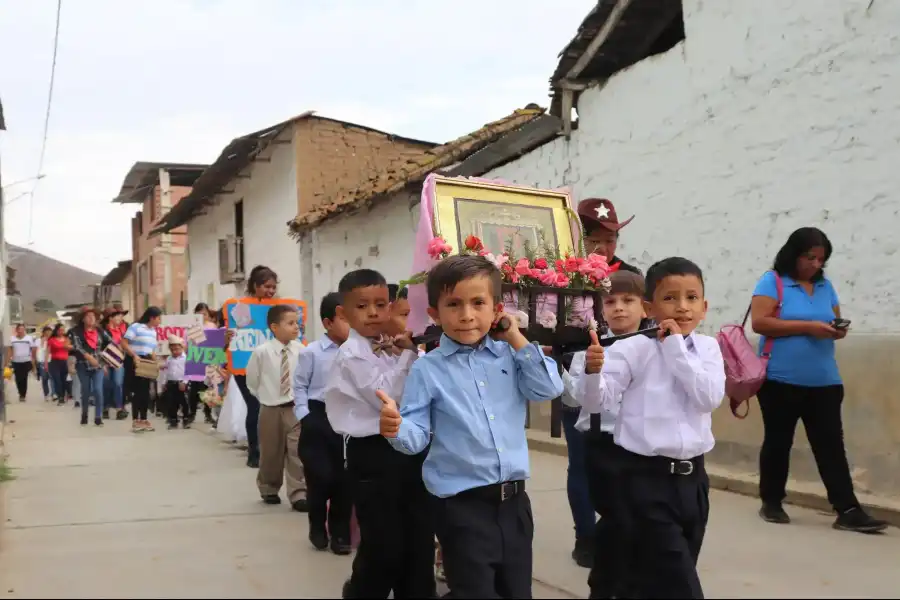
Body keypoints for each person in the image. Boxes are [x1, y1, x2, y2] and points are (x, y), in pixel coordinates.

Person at [379, 255, 564, 599]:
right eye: (454, 304)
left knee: (516, 591)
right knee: (474, 591)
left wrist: (516, 337)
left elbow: (550, 388)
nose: (466, 315)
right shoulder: (428, 369)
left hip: (514, 504)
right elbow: (416, 435)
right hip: (461, 507)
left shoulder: (511, 357)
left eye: (478, 303)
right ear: (435, 313)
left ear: (497, 309)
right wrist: (396, 428)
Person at [575, 257, 724, 599]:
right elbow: (597, 403)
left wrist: (675, 349)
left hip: (694, 482)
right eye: (670, 298)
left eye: (691, 298)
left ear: (704, 307)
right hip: (645, 483)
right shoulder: (632, 350)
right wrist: (593, 373)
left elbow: (708, 397)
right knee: (679, 583)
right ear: (649, 307)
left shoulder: (708, 349)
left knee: (657, 579)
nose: (682, 307)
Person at [750, 227, 887, 533]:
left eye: (820, 259)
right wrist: (808, 327)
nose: (815, 264)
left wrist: (836, 329)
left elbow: (834, 318)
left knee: (830, 446)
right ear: (793, 254)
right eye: (809, 257)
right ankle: (771, 502)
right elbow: (760, 322)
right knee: (778, 441)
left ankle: (848, 509)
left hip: (824, 381)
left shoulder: (826, 286)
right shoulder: (773, 282)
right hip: (780, 380)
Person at [324, 268, 434, 599]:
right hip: (372, 453)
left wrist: (403, 351)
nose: (373, 313)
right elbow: (388, 394)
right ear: (342, 314)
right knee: (383, 545)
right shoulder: (352, 353)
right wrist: (410, 354)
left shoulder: (386, 347)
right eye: (362, 306)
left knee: (417, 540)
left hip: (408, 450)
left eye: (381, 304)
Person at [565, 270, 650, 598]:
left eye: (628, 301)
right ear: (600, 309)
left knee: (629, 521)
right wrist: (588, 370)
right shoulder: (591, 350)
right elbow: (576, 400)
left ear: (645, 308)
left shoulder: (654, 349)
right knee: (614, 517)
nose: (619, 309)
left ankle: (617, 580)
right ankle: (603, 577)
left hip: (637, 447)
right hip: (600, 442)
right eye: (610, 302)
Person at [294, 292, 352, 554]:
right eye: (345, 319)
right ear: (328, 323)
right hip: (318, 417)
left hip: (348, 420)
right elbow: (299, 385)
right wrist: (304, 415)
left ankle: (340, 534)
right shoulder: (312, 353)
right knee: (320, 478)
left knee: (344, 481)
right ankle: (317, 527)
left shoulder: (358, 351)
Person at [245, 304, 307, 510]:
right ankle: (269, 487)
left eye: (297, 323)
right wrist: (266, 396)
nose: (295, 327)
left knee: (297, 451)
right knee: (270, 451)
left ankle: (299, 493)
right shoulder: (262, 352)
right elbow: (252, 380)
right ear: (274, 327)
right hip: (270, 407)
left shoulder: (301, 350)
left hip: (295, 408)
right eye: (290, 323)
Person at [224, 265, 279, 468]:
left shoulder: (279, 311)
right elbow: (226, 346)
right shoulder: (239, 310)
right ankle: (254, 452)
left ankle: (268, 450)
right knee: (255, 406)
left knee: (269, 407)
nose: (271, 291)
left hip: (270, 365)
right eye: (267, 286)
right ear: (255, 286)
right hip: (244, 367)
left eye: (274, 287)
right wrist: (227, 338)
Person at [68, 306, 113, 426]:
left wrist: (105, 362)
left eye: (93, 316)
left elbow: (110, 343)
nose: (91, 318)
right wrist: (89, 357)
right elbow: (77, 347)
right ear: (83, 319)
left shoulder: (100, 331)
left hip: (98, 365)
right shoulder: (75, 332)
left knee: (98, 390)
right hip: (83, 365)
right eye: (88, 316)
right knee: (86, 390)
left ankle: (98, 417)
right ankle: (85, 414)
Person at [122, 306, 162, 433]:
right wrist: (134, 355)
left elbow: (151, 349)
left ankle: (144, 419)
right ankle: (136, 420)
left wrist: (156, 362)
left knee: (145, 391)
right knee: (137, 391)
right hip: (134, 360)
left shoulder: (153, 331)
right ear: (152, 317)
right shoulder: (136, 327)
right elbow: (124, 343)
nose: (160, 321)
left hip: (147, 361)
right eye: (158, 318)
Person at [577, 198, 642, 276]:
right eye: (595, 241)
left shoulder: (629, 276)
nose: (603, 250)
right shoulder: (566, 274)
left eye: (609, 241)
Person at [189, 303, 220, 426]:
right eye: (199, 313)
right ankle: (191, 414)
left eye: (204, 313)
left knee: (208, 389)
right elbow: (190, 343)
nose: (202, 316)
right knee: (194, 389)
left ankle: (208, 414)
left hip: (209, 361)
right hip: (196, 359)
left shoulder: (212, 326)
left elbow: (215, 343)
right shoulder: (192, 327)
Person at [101, 306, 129, 420]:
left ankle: (119, 409)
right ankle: (105, 408)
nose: (120, 318)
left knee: (118, 384)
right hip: (105, 362)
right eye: (117, 316)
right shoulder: (102, 331)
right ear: (110, 318)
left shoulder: (122, 330)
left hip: (119, 361)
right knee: (107, 385)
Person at [163, 335, 191, 429]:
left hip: (182, 383)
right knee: (172, 403)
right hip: (171, 383)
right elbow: (166, 371)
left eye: (177, 349)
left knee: (184, 402)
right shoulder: (169, 359)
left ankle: (186, 420)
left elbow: (189, 371)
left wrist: (184, 382)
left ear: (181, 347)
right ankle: (173, 421)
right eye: (172, 350)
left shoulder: (186, 358)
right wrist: (164, 383)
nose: (175, 352)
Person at [7, 323, 37, 402]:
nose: (21, 331)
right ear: (16, 330)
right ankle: (20, 393)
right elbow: (10, 350)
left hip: (26, 360)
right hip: (16, 361)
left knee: (24, 377)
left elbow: (33, 349)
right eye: (20, 329)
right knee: (18, 378)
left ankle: (23, 395)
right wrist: (8, 361)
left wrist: (33, 360)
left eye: (23, 329)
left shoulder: (29, 338)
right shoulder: (12, 339)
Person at [46, 324, 71, 405]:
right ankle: (60, 397)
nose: (61, 332)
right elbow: (47, 352)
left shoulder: (67, 339)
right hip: (54, 362)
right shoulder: (51, 340)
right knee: (57, 380)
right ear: (56, 331)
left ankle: (63, 396)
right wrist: (46, 363)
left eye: (63, 330)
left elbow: (71, 349)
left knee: (64, 380)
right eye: (60, 330)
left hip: (64, 362)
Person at [36, 326, 53, 401]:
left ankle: (53, 393)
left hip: (51, 361)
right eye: (46, 333)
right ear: (43, 333)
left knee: (52, 378)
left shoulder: (53, 340)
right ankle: (46, 394)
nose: (48, 334)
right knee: (44, 378)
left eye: (49, 333)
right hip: (41, 362)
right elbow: (36, 351)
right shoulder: (38, 340)